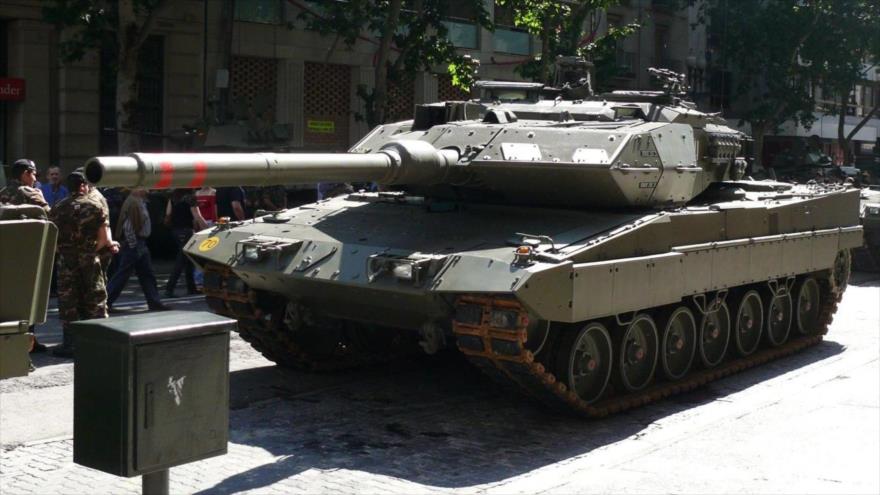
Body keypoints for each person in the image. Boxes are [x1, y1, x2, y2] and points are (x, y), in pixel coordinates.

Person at [49, 171, 120, 357]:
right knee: (95, 299)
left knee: (68, 300)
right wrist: (88, 250)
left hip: (66, 260)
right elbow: (104, 239)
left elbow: (52, 241)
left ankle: (70, 344)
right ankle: (98, 343)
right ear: (83, 185)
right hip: (90, 258)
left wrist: (66, 250)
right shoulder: (96, 206)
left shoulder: (57, 207)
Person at [105, 188, 170, 312]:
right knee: (123, 275)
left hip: (139, 243)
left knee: (146, 274)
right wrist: (133, 244)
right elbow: (128, 227)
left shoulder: (138, 201)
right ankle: (106, 302)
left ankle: (154, 302)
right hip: (135, 243)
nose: (147, 189)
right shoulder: (133, 202)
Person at [164, 189, 208, 297]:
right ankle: (169, 289)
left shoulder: (173, 196)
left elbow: (168, 213)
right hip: (186, 230)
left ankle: (191, 287)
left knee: (188, 259)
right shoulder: (190, 197)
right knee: (182, 260)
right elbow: (197, 216)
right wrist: (208, 230)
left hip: (175, 230)